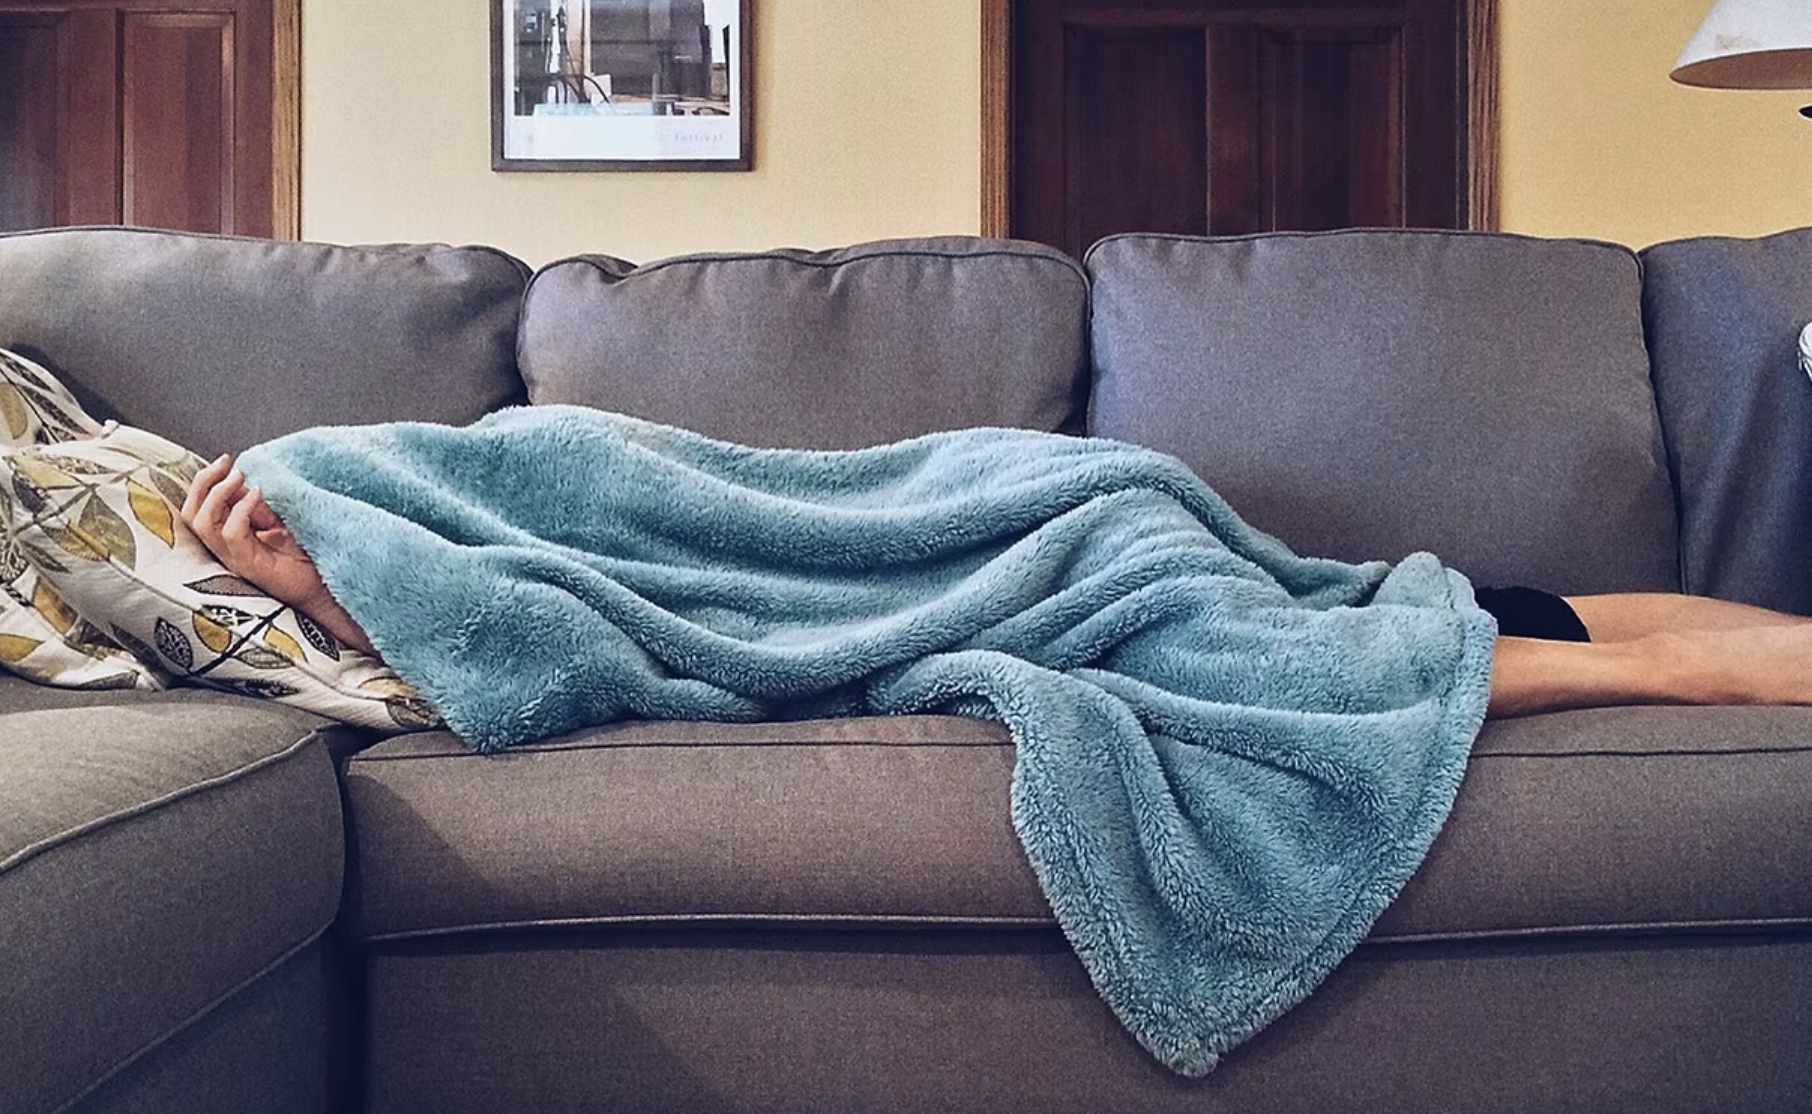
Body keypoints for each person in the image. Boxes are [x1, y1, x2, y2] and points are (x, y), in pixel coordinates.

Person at [180, 451, 1812, 721]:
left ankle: (1683, 676)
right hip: (1084, 523)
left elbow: (689, 516)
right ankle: (1674, 655)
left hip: (1060, 523)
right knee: (1427, 609)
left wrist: (345, 574)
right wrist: (341, 587)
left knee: (1257, 654)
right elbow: (582, 623)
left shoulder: (432, 463)